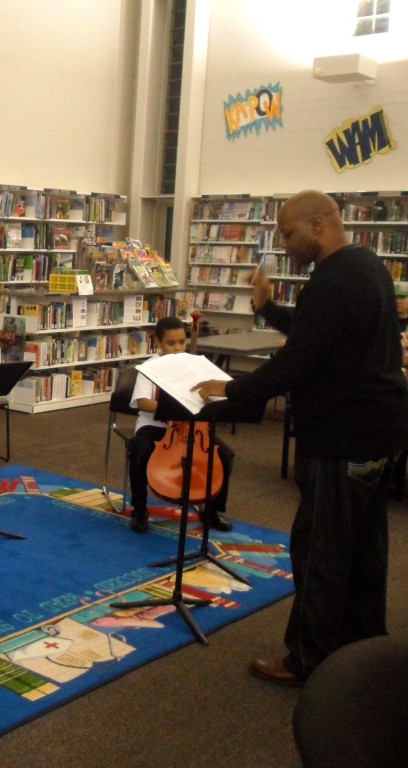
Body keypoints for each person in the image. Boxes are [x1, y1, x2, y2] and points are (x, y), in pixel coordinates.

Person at [193, 190, 408, 687]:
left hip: (341, 436)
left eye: (289, 234)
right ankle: (362, 646)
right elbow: (317, 331)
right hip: (379, 433)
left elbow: (297, 360)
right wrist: (269, 309)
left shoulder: (333, 280)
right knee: (365, 545)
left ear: (319, 224)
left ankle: (307, 658)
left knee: (320, 550)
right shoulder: (368, 268)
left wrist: (231, 390)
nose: (284, 245)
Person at [128, 316, 235, 534]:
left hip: (191, 427)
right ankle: (139, 509)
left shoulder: (194, 365)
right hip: (154, 425)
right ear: (158, 342)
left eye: (182, 342)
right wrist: (170, 410)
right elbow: (143, 402)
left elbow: (209, 395)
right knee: (140, 450)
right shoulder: (149, 367)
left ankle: (213, 510)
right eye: (171, 343)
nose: (178, 348)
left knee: (225, 455)